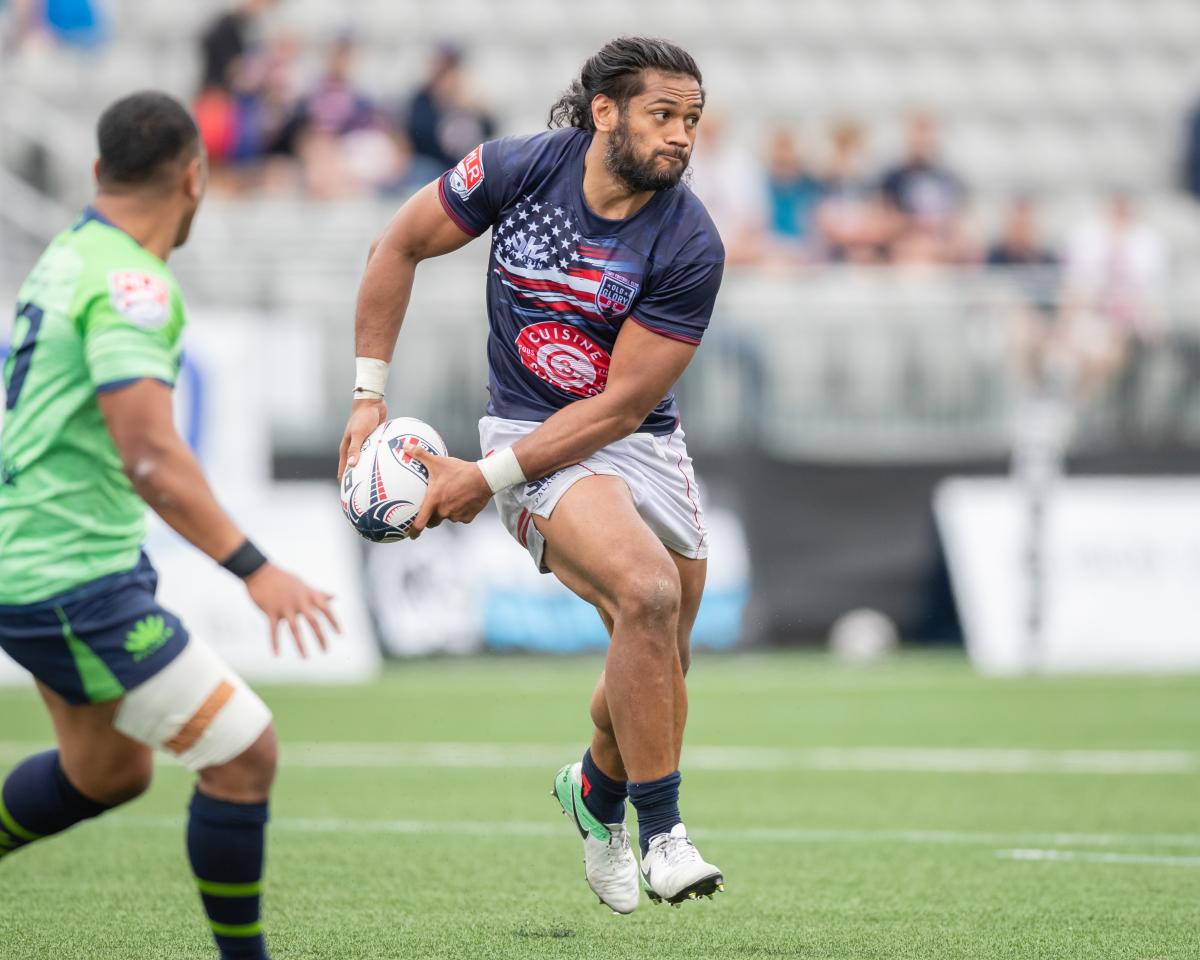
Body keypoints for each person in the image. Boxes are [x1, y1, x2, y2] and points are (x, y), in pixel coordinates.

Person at [338, 37, 726, 913]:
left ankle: (594, 792)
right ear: (605, 112)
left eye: (691, 120)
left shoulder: (691, 240)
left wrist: (482, 478)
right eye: (663, 115)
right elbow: (396, 244)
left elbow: (621, 409)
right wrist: (368, 396)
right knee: (647, 593)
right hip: (526, 427)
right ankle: (664, 837)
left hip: (637, 439)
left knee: (662, 661)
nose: (681, 137)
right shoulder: (514, 171)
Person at [0, 92, 338, 960]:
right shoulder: (132, 284)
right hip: (66, 574)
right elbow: (150, 455)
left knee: (106, 772)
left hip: (51, 559)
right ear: (196, 177)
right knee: (244, 752)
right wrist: (255, 566)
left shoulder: (68, 255)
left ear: (96, 173)